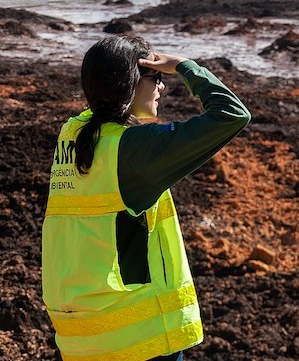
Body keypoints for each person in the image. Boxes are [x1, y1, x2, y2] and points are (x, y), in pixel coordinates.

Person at [42, 35, 251, 360]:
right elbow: (233, 114)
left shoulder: (72, 134)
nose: (161, 88)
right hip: (137, 341)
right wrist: (183, 66)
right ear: (130, 84)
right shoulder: (134, 150)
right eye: (156, 78)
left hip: (82, 334)